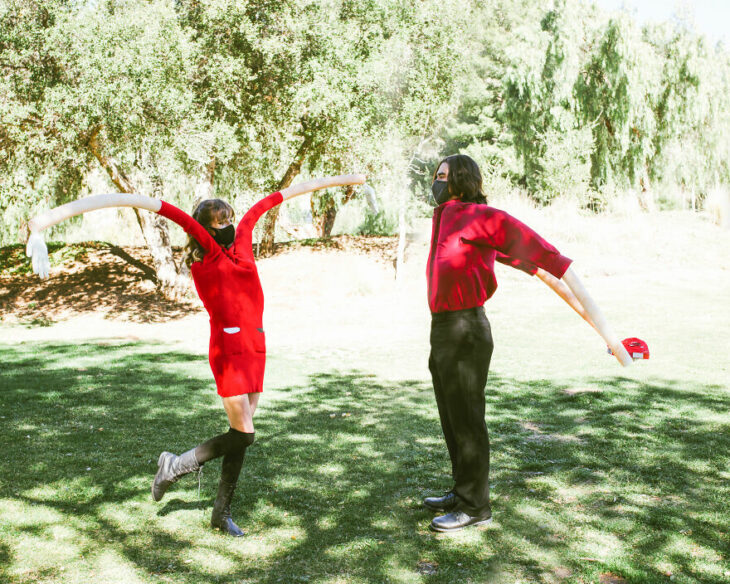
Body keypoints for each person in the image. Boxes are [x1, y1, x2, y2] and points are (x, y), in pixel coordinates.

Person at [423, 154, 574, 532]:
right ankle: (462, 492)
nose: (437, 182)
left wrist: (558, 266)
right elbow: (496, 253)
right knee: (451, 417)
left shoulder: (476, 215)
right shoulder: (445, 217)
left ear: (461, 180)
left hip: (466, 329)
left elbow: (516, 237)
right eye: (436, 175)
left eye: (444, 176)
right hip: (442, 327)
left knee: (467, 420)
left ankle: (475, 507)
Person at [150, 191, 285, 537]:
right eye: (220, 222)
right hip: (228, 349)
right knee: (245, 433)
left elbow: (255, 212)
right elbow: (183, 220)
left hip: (255, 346)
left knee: (242, 435)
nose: (228, 226)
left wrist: (286, 193)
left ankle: (220, 515)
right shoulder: (207, 258)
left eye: (229, 219)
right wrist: (153, 205)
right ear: (205, 232)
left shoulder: (242, 250)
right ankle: (176, 465)